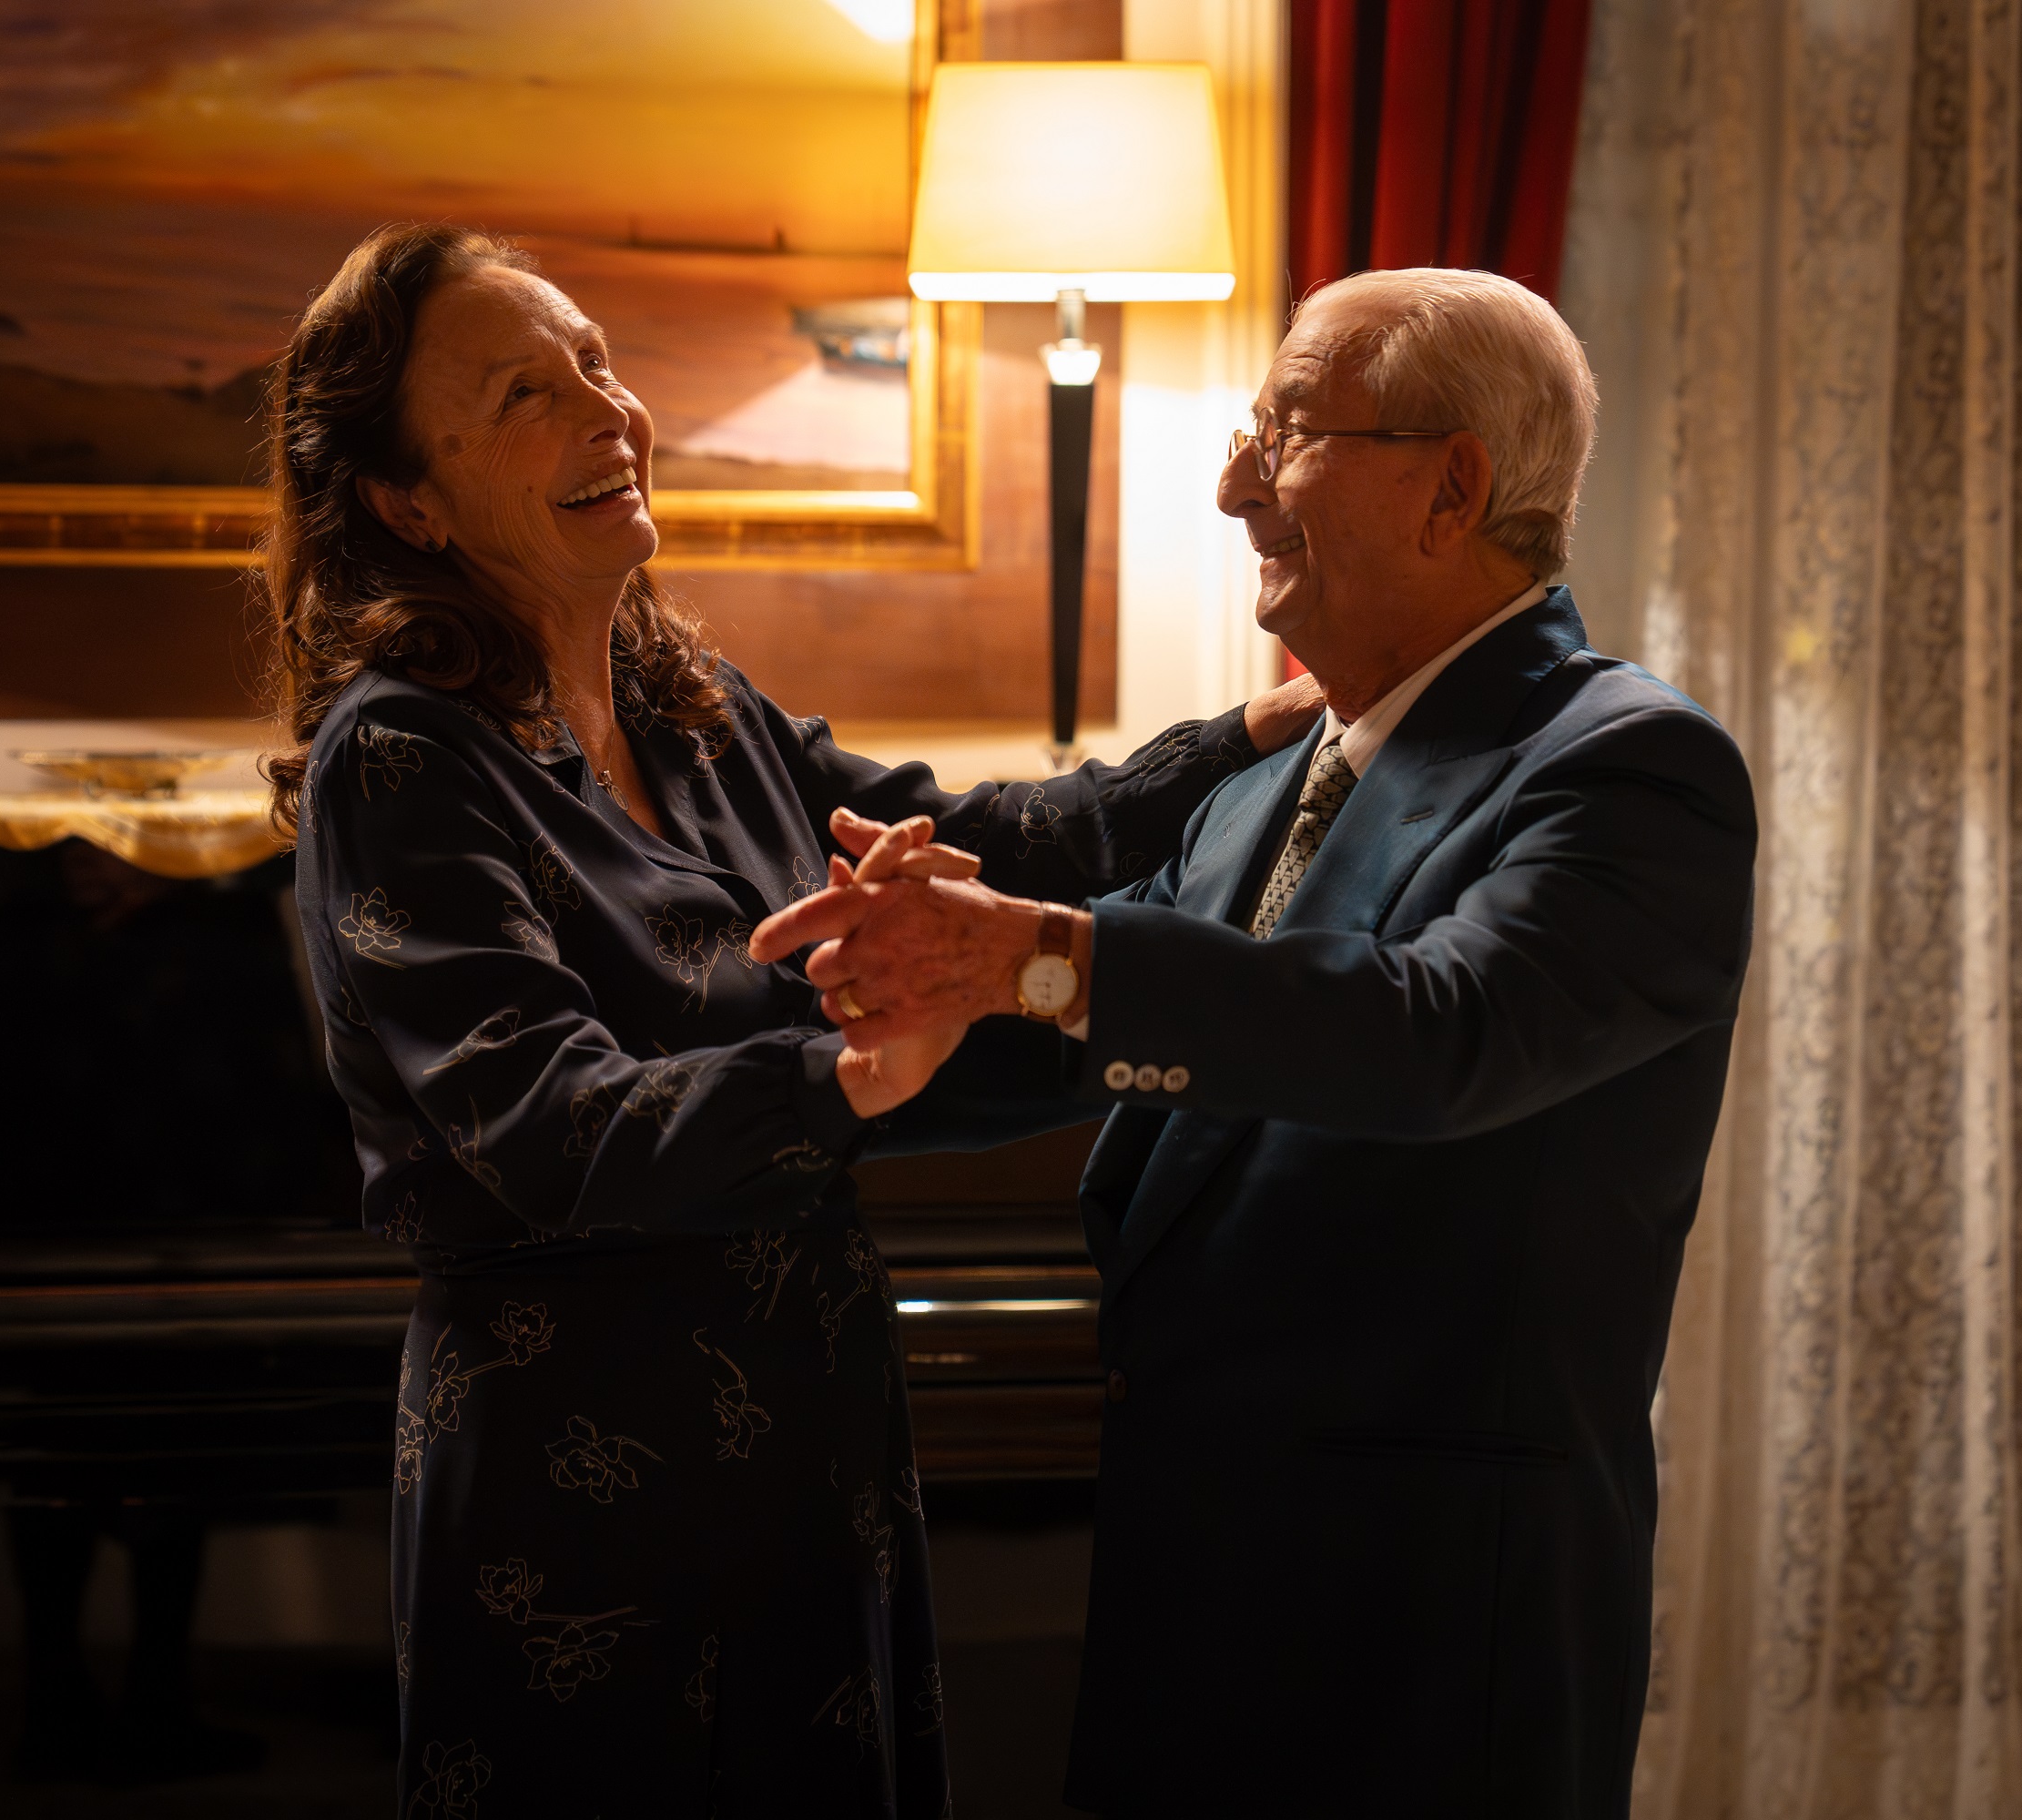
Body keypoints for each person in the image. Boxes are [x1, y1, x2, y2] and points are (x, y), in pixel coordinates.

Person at [262, 222, 1320, 1817]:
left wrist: (1254, 731)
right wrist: (851, 1075)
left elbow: (978, 839)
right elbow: (552, 1130)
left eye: (595, 363)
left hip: (808, 1429)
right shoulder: (401, 756)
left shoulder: (691, 705)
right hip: (579, 1479)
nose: (607, 413)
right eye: (525, 395)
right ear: (410, 503)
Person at [752, 267, 1759, 1815]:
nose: (1234, 489)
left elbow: (1435, 1032)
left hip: (1434, 1632)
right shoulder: (1271, 774)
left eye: (1285, 434)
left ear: (1453, 488)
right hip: (1195, 1594)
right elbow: (1083, 1033)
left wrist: (1030, 953)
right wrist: (829, 1050)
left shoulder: (1629, 768)